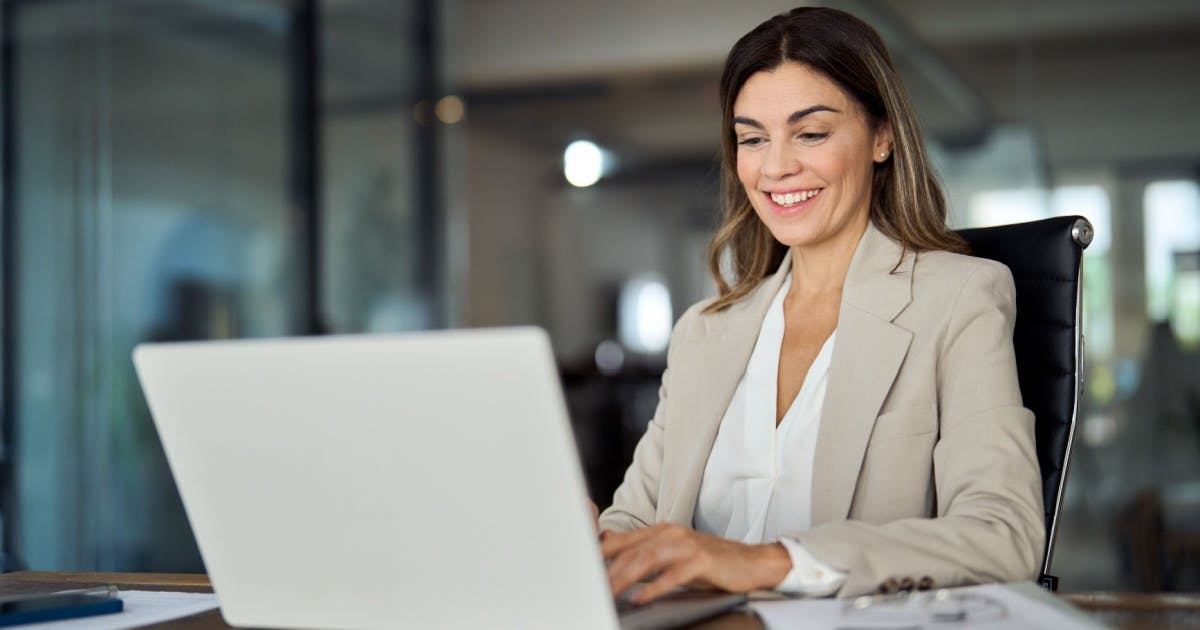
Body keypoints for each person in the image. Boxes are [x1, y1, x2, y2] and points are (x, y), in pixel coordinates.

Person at [596, 7, 1045, 601]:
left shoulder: (958, 299)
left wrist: (769, 563)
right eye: (753, 138)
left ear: (881, 137)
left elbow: (1002, 534)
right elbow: (635, 526)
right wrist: (584, 541)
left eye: (810, 133)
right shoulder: (705, 332)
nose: (776, 166)